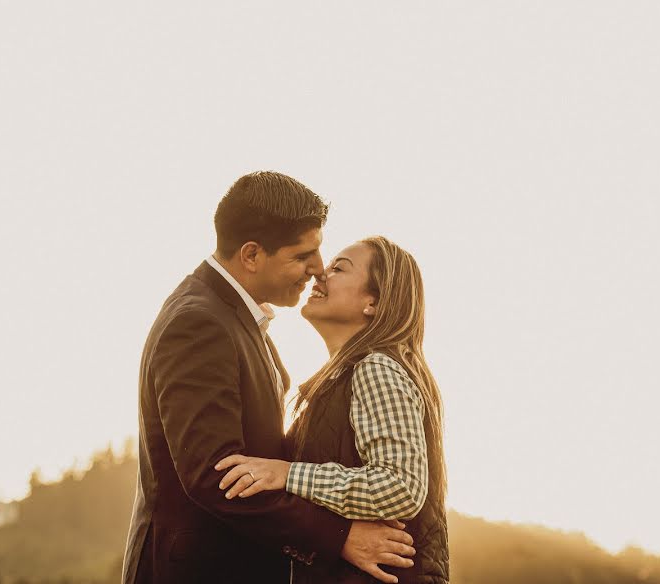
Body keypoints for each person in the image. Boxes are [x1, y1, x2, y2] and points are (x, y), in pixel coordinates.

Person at [122, 173, 416, 584]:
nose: (317, 270)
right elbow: (215, 475)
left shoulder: (234, 319)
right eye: (303, 256)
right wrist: (339, 537)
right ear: (252, 255)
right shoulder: (199, 322)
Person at [216, 236, 450, 584]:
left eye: (339, 268)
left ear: (373, 302)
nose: (319, 275)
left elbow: (401, 486)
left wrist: (288, 474)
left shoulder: (377, 368)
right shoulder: (345, 377)